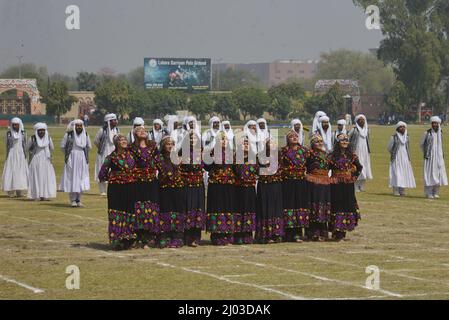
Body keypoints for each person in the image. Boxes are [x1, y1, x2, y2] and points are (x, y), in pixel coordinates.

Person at [98, 134, 137, 250]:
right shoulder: (111, 157)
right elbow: (102, 174)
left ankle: (128, 239)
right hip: (116, 189)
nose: (124, 141)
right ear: (116, 143)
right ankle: (117, 240)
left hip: (130, 188)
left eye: (125, 139)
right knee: (117, 212)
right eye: (121, 140)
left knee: (129, 211)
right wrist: (114, 176)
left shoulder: (132, 155)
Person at [129, 125, 160, 248]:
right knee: (139, 207)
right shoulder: (131, 148)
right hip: (138, 182)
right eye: (139, 130)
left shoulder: (153, 146)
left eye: (144, 130)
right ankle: (139, 236)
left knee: (151, 207)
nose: (142, 131)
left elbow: (159, 160)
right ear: (134, 133)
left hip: (151, 182)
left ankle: (150, 236)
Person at [328, 133, 363, 241]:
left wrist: (353, 177)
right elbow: (326, 169)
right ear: (338, 142)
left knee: (346, 206)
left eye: (346, 140)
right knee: (337, 205)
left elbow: (359, 167)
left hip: (348, 185)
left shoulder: (352, 156)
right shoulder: (332, 156)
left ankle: (342, 232)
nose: (345, 142)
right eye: (342, 140)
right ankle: (336, 231)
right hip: (336, 185)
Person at [204, 132, 236, 245]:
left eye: (225, 139)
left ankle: (228, 235)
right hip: (216, 185)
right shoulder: (211, 152)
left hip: (229, 185)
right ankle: (217, 235)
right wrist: (211, 160)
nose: (224, 141)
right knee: (217, 208)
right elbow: (206, 167)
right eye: (221, 139)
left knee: (228, 208)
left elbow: (236, 169)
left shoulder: (232, 154)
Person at [280, 130, 310, 242]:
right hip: (288, 183)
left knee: (300, 205)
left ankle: (298, 233)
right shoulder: (283, 151)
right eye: (291, 137)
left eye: (296, 136)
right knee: (289, 206)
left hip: (302, 182)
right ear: (287, 139)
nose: (294, 138)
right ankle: (288, 234)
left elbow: (311, 164)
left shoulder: (305, 151)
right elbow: (279, 165)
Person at [156, 136, 186, 248]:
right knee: (165, 210)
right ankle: (164, 236)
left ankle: (177, 236)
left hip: (178, 188)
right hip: (164, 188)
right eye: (167, 144)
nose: (170, 146)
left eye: (172, 144)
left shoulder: (177, 156)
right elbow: (166, 172)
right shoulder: (159, 158)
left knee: (177, 210)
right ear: (163, 145)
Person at [256, 137, 284, 244]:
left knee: (276, 208)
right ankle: (265, 235)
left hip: (276, 185)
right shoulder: (259, 156)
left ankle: (276, 234)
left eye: (274, 143)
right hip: (264, 185)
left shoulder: (280, 156)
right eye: (269, 143)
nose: (272, 145)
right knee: (265, 208)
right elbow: (256, 169)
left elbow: (282, 169)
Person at [180, 130, 206, 247]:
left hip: (199, 185)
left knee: (198, 209)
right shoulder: (182, 153)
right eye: (190, 138)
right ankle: (187, 237)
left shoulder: (202, 153)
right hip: (187, 185)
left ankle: (196, 237)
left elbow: (209, 166)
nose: (192, 140)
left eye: (194, 138)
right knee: (187, 207)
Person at [60, 120, 91, 207]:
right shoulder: (68, 135)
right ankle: (73, 200)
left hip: (82, 159)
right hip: (71, 159)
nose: (79, 127)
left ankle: (79, 199)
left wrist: (82, 156)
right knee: (72, 178)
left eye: (80, 126)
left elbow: (89, 147)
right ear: (74, 126)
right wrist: (69, 155)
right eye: (77, 126)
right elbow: (62, 147)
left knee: (81, 179)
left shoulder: (85, 134)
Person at [306, 134, 331, 241]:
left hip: (325, 183)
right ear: (312, 143)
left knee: (323, 206)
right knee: (314, 206)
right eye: (317, 141)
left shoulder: (326, 155)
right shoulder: (309, 154)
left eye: (321, 141)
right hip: (313, 183)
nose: (320, 143)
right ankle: (313, 233)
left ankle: (323, 232)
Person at [233, 134, 258, 245]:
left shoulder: (254, 157)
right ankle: (238, 235)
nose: (246, 145)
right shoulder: (235, 157)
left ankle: (248, 235)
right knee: (239, 210)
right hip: (238, 189)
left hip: (250, 188)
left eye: (247, 143)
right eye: (243, 143)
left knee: (250, 210)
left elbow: (257, 171)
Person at [26, 123, 57, 201]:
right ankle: (36, 195)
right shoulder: (32, 138)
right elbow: (27, 148)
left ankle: (45, 195)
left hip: (46, 160)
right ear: (37, 131)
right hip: (35, 160)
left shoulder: (48, 138)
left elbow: (52, 148)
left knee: (46, 177)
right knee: (36, 177)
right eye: (40, 130)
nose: (41, 132)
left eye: (43, 130)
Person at [420, 116, 448, 199]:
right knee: (429, 175)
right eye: (433, 123)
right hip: (429, 158)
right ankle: (428, 193)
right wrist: (427, 152)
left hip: (439, 158)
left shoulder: (440, 133)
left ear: (439, 124)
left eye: (436, 123)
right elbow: (421, 144)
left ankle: (435, 192)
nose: (435, 125)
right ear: (431, 124)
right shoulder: (427, 133)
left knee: (438, 174)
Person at [388, 121, 416, 196]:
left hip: (405, 158)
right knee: (397, 173)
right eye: (401, 127)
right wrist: (395, 154)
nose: (402, 128)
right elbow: (389, 148)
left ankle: (402, 190)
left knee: (404, 173)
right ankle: (396, 190)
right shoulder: (393, 137)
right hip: (396, 158)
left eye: (404, 127)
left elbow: (408, 147)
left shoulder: (407, 137)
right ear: (397, 128)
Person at [2, 117, 28, 198]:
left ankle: (19, 191)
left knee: (20, 172)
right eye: (13, 125)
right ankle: (10, 191)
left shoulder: (24, 133)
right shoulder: (8, 133)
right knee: (11, 171)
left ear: (19, 125)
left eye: (16, 125)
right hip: (11, 154)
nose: (15, 126)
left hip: (21, 155)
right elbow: (7, 143)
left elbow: (25, 143)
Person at [94, 113, 119, 196]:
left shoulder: (117, 130)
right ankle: (102, 190)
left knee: (112, 170)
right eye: (114, 120)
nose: (116, 122)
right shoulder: (102, 130)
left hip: (113, 152)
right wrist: (101, 148)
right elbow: (96, 141)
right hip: (103, 153)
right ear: (109, 121)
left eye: (116, 120)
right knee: (102, 170)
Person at [349, 114, 373, 192]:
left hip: (365, 151)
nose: (362, 121)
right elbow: (348, 138)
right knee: (357, 167)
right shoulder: (354, 129)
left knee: (365, 167)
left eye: (363, 119)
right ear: (357, 121)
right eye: (360, 120)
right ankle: (355, 186)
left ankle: (362, 186)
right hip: (356, 151)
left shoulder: (367, 130)